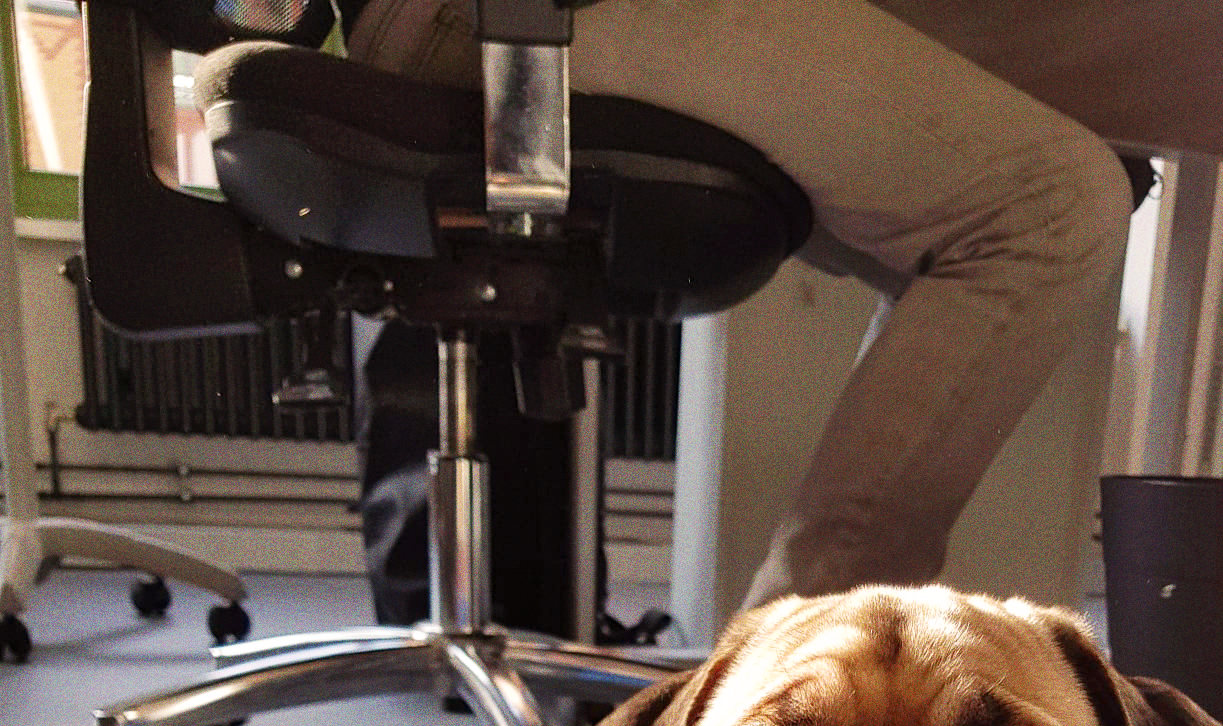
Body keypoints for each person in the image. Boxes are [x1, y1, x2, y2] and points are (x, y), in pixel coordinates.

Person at [339, 0, 1137, 606]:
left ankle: (806, 660)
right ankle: (797, 666)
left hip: (417, 21)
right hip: (501, 18)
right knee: (1050, 205)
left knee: (971, 238)